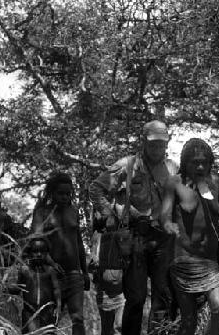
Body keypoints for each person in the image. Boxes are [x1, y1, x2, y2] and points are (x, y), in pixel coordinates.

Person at [90, 120, 178, 335]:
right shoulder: (127, 165)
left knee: (162, 295)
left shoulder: (173, 168)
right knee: (136, 298)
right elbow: (96, 188)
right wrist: (109, 215)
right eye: (153, 143)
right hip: (136, 239)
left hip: (164, 240)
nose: (158, 148)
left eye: (161, 143)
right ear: (143, 142)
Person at [161, 138, 219, 335]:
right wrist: (168, 225)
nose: (200, 166)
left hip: (209, 262)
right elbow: (164, 215)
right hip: (183, 259)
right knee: (189, 321)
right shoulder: (174, 183)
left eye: (204, 162)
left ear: (211, 163)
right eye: (195, 162)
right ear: (185, 163)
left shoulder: (215, 183)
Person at [31, 172, 90, 335]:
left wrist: (84, 272)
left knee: (78, 318)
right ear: (52, 193)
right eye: (61, 193)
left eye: (68, 194)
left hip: (74, 274)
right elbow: (36, 242)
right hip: (50, 275)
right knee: (50, 320)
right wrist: (49, 262)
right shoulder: (41, 213)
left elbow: (78, 243)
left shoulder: (73, 212)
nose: (65, 197)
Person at [8, 238, 61, 334]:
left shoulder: (50, 271)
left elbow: (56, 289)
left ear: (47, 253)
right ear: (29, 253)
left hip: (47, 312)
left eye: (42, 251)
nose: (39, 254)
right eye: (35, 251)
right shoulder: (24, 270)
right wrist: (4, 287)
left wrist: (58, 306)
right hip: (29, 313)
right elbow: (18, 289)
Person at [89, 216, 125, 335]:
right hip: (104, 292)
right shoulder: (98, 238)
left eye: (112, 219)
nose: (110, 221)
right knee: (106, 328)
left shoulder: (121, 237)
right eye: (107, 219)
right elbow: (92, 264)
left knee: (119, 326)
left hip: (120, 293)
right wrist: (96, 264)